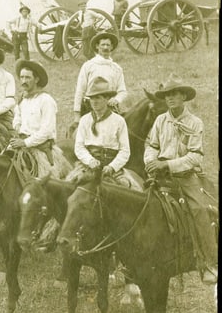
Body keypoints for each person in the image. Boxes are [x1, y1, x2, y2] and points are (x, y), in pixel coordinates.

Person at [143, 77, 218, 285]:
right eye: (167, 95)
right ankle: (131, 264)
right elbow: (152, 145)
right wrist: (151, 161)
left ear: (184, 96)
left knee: (200, 210)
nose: (170, 98)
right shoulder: (160, 120)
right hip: (160, 174)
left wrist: (168, 165)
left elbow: (195, 156)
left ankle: (210, 262)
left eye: (175, 94)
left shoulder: (195, 122)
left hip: (184, 175)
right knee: (137, 203)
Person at [65, 77, 141, 190]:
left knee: (133, 191)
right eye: (91, 98)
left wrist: (112, 166)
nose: (94, 102)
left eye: (98, 98)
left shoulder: (118, 121)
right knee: (68, 189)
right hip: (88, 165)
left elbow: (125, 151)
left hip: (111, 167)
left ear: (106, 99)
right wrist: (90, 161)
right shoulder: (85, 120)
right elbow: (79, 147)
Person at [7, 60, 69, 178]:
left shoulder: (46, 100)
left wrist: (25, 142)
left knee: (42, 183)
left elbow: (46, 131)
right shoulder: (22, 99)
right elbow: (17, 118)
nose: (24, 81)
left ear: (36, 79)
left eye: (28, 77)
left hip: (40, 148)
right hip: (21, 143)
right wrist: (18, 128)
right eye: (22, 77)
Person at [72, 31, 127, 125]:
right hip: (91, 107)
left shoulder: (116, 68)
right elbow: (80, 90)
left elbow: (122, 91)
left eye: (108, 45)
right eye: (103, 45)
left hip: (110, 108)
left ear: (112, 47)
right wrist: (77, 115)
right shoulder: (88, 66)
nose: (105, 48)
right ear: (97, 46)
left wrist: (116, 99)